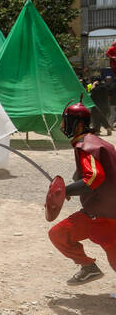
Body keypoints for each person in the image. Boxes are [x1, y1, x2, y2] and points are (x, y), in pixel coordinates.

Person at [48, 98, 116, 284]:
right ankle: (88, 268)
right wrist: (71, 188)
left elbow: (94, 177)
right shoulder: (96, 142)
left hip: (103, 216)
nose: (63, 125)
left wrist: (64, 191)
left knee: (60, 234)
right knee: (60, 233)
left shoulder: (86, 146)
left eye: (65, 121)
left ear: (77, 124)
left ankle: (88, 267)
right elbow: (87, 174)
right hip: (104, 210)